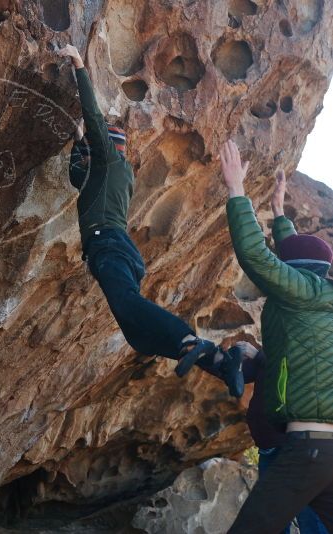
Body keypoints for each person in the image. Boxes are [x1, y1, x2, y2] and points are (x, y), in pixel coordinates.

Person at [57, 44, 244, 396]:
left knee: (129, 305)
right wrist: (78, 137)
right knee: (138, 335)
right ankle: (219, 362)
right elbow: (77, 174)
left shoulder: (110, 164)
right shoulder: (115, 175)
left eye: (92, 149)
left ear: (104, 150)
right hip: (115, 248)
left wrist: (80, 66)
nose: (86, 154)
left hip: (109, 245)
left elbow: (95, 121)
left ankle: (191, 340)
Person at [220, 139, 333, 533]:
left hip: (307, 448)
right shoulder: (322, 299)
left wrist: (236, 191)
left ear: (295, 273)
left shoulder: (300, 294)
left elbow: (257, 256)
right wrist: (279, 214)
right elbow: (296, 255)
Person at [219, 341, 329, 534]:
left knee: (310, 520)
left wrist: (259, 356)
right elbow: (241, 372)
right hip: (270, 451)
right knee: (270, 520)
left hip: (298, 452)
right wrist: (205, 353)